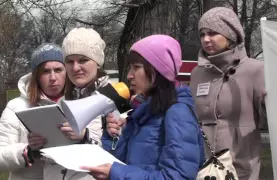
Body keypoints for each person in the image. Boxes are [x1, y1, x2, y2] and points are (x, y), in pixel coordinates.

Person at [81, 34, 204, 180]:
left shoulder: (178, 112)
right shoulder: (142, 110)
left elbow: (178, 177)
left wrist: (116, 173)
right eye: (130, 68)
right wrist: (111, 136)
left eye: (136, 67)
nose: (129, 75)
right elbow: (122, 162)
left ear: (158, 70)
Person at [190, 7, 266, 180]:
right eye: (202, 34)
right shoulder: (197, 73)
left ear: (231, 35)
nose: (206, 39)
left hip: (240, 167)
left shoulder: (255, 70)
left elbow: (274, 121)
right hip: (203, 167)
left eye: (212, 33)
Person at [43, 27, 110, 180]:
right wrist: (41, 142)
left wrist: (85, 136)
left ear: (98, 63)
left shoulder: (115, 99)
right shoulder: (63, 101)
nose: (75, 68)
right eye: (69, 61)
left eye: (83, 60)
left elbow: (122, 154)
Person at [0, 43, 66, 180]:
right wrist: (28, 152)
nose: (53, 77)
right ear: (36, 76)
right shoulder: (16, 107)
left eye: (58, 70)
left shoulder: (77, 103)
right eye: (46, 71)